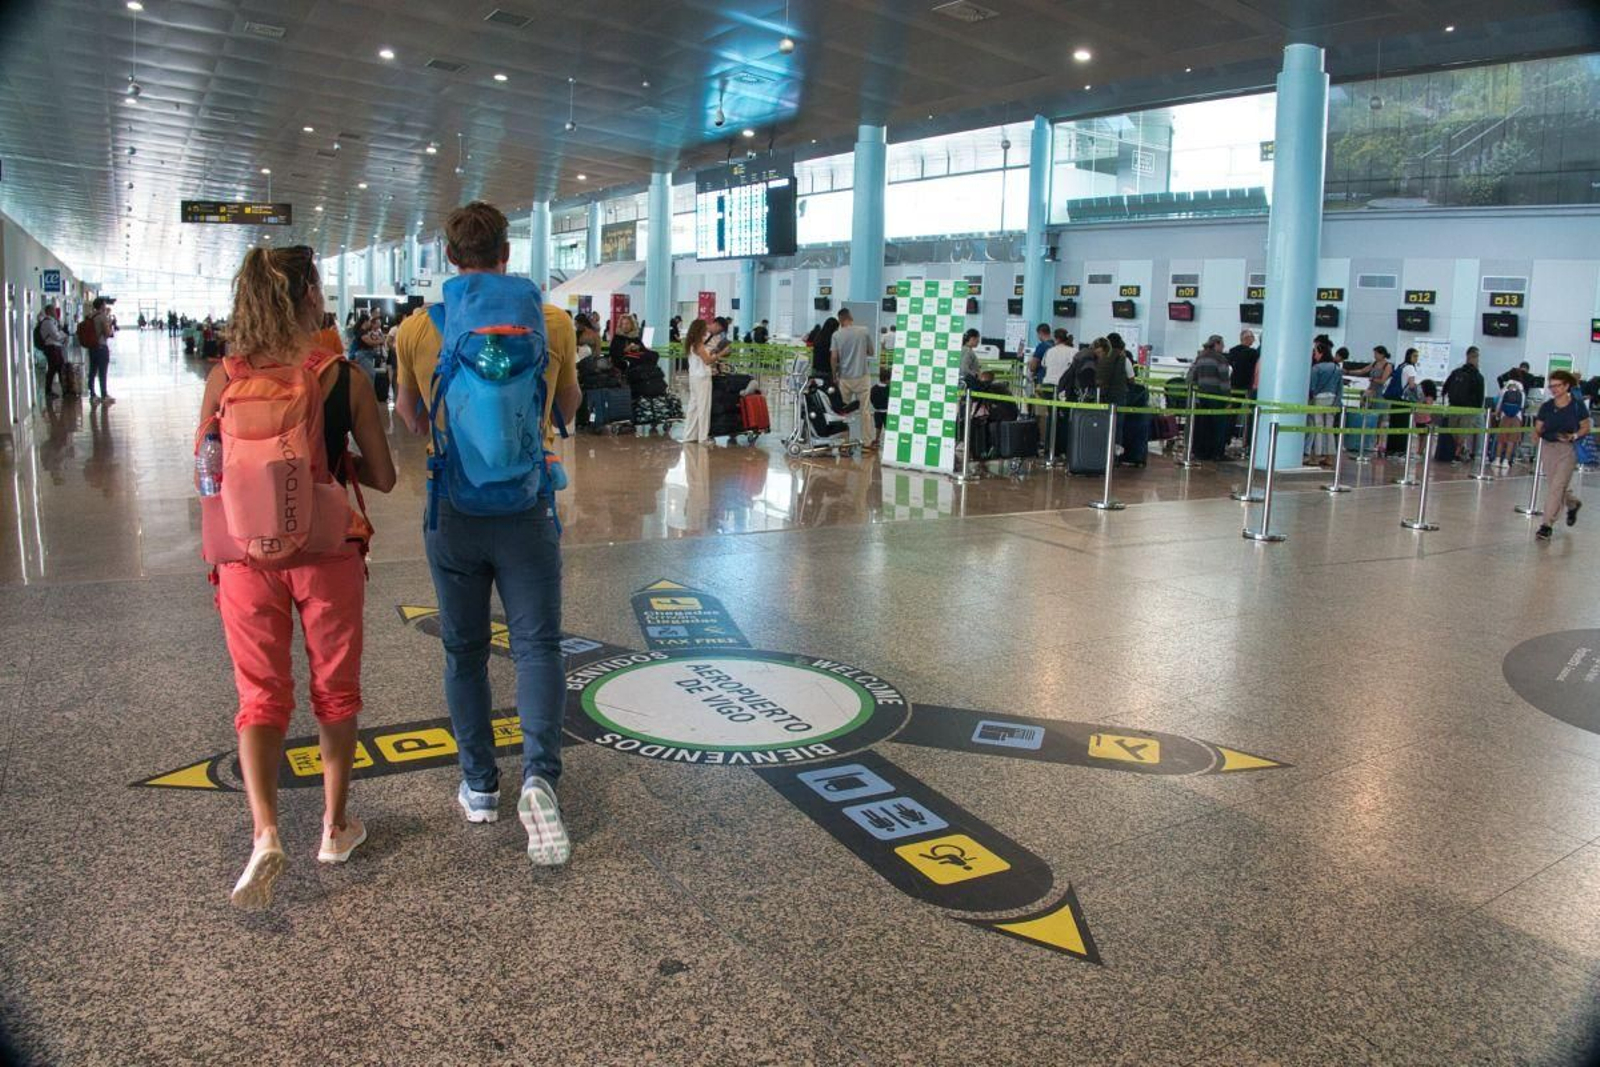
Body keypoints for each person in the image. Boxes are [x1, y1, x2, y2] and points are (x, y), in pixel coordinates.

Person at [199, 245, 396, 908]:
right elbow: (384, 476)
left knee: (260, 695)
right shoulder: (342, 376)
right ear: (311, 294)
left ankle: (265, 833)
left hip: (244, 557)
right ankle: (335, 827)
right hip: (326, 550)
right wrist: (330, 464)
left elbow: (208, 472)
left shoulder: (224, 377)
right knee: (334, 692)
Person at [393, 201, 581, 864]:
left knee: (465, 650)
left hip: (455, 510)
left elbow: (412, 418)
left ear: (450, 258)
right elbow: (567, 407)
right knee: (537, 648)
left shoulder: (418, 328)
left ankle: (479, 786)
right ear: (507, 252)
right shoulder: (551, 321)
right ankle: (539, 778)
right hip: (527, 508)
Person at [1532, 369, 1591, 541]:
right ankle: (1572, 503)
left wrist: (1574, 436)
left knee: (1556, 487)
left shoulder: (1577, 406)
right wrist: (1536, 435)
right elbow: (1538, 427)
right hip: (1549, 448)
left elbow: (1585, 427)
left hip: (1567, 449)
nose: (1554, 389)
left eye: (1557, 386)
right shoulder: (1547, 407)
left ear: (1566, 386)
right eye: (1551, 386)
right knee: (1556, 485)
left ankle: (1546, 525)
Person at [830, 307, 877, 450]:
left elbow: (834, 357)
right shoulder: (864, 331)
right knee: (865, 410)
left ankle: (844, 444)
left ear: (840, 320)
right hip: (862, 376)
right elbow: (871, 351)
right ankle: (867, 443)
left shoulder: (836, 335)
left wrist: (834, 374)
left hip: (845, 378)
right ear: (851, 318)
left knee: (843, 411)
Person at [1187, 336, 1233, 461]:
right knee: (1219, 426)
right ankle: (1217, 453)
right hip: (1217, 397)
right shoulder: (1220, 359)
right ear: (1216, 344)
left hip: (1202, 397)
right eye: (1222, 344)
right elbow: (1224, 381)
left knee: (1204, 426)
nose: (1223, 347)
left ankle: (1203, 453)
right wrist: (1228, 399)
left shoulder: (1200, 357)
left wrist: (1198, 389)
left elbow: (1190, 377)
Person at [1441, 347, 1486, 461]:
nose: (1476, 360)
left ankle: (1457, 454)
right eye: (1475, 357)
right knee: (1455, 431)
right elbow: (1480, 395)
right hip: (1462, 408)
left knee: (1460, 432)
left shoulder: (1471, 374)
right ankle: (1462, 450)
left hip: (1464, 409)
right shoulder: (1465, 374)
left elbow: (1445, 388)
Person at [679, 318, 716, 444]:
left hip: (694, 377)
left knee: (693, 407)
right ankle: (703, 437)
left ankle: (689, 435)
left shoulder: (691, 343)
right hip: (702, 378)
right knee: (704, 407)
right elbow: (707, 361)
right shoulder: (699, 345)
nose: (707, 329)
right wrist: (720, 354)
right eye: (705, 327)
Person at [1307, 345, 1344, 467]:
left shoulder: (1316, 368)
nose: (1315, 355)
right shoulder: (1336, 368)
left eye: (1316, 353)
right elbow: (1340, 388)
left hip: (1319, 399)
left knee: (1318, 427)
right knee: (1329, 429)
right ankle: (1329, 457)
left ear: (1321, 353)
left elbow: (1312, 387)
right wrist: (1337, 403)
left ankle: (1316, 456)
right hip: (1332, 399)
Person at [1228, 329, 1260, 445]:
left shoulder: (1232, 351)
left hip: (1234, 385)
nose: (1253, 340)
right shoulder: (1253, 353)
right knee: (1249, 414)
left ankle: (1227, 437)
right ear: (1247, 339)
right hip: (1247, 386)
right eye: (1252, 338)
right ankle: (1247, 440)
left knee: (1232, 412)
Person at [85, 297, 116, 404]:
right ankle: (104, 394)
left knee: (92, 371)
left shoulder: (90, 316)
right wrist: (110, 326)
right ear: (102, 305)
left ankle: (92, 394)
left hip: (92, 347)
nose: (105, 306)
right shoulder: (102, 316)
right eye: (104, 304)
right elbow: (107, 333)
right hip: (101, 347)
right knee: (102, 372)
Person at [1493, 376, 1527, 470]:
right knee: (1511, 441)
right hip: (1517, 417)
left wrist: (1496, 414)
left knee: (1501, 440)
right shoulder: (1522, 392)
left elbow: (1499, 404)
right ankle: (1506, 461)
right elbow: (1522, 407)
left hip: (1504, 417)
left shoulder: (1505, 390)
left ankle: (1497, 459)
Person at [38, 307, 71, 398]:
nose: (55, 312)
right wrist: (64, 336)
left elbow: (58, 333)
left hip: (55, 348)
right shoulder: (48, 322)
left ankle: (64, 390)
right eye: (53, 310)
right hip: (52, 348)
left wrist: (62, 335)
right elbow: (56, 335)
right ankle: (49, 391)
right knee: (53, 369)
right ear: (49, 311)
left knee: (59, 368)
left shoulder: (52, 322)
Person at [1099, 331, 1135, 406]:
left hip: (1102, 394)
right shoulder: (1124, 360)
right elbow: (1131, 380)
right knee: (1118, 413)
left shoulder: (1101, 357)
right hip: (1119, 396)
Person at [1041, 329, 1075, 396]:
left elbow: (1044, 366)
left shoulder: (1049, 351)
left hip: (1048, 385)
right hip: (1065, 386)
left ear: (1056, 339)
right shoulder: (1074, 351)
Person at [811, 316, 839, 381]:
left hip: (816, 370)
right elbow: (833, 357)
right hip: (827, 371)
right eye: (836, 329)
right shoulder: (832, 340)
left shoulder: (818, 337)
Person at [1025, 323, 1053, 388]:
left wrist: (1030, 364)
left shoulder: (1041, 346)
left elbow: (1033, 367)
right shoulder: (1056, 345)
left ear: (1040, 333)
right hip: (1054, 381)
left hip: (1041, 380)